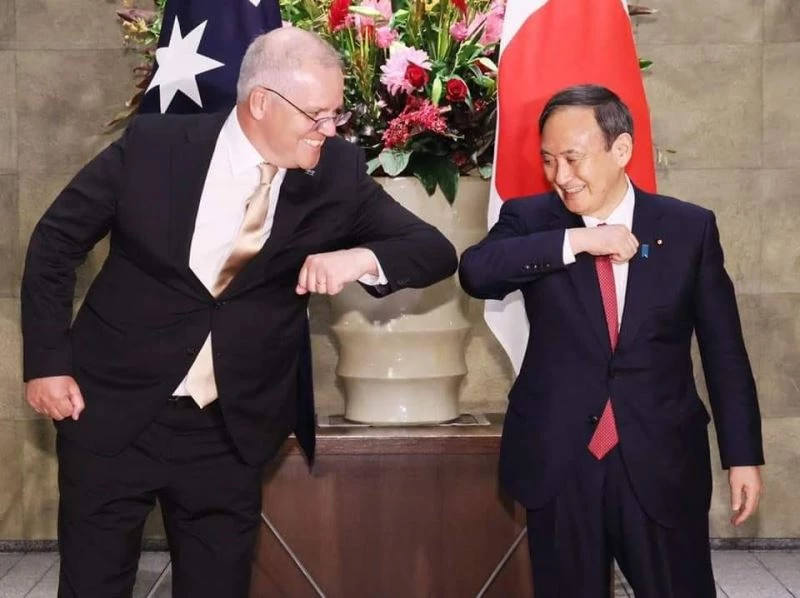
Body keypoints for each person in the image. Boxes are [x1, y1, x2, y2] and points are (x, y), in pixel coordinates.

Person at [21, 27, 457, 598]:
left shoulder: (337, 173)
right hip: (110, 410)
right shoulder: (155, 145)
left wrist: (360, 258)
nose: (330, 129)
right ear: (261, 103)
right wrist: (47, 364)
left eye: (337, 114)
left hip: (229, 430)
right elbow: (56, 242)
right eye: (317, 115)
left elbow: (434, 250)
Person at [459, 84, 763, 597]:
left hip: (660, 456)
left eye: (573, 158)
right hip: (562, 460)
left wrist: (743, 456)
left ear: (621, 150)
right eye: (549, 160)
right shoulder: (532, 221)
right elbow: (477, 272)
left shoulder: (687, 228)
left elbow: (724, 352)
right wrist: (579, 240)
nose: (561, 176)